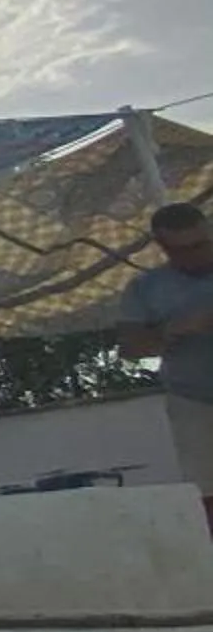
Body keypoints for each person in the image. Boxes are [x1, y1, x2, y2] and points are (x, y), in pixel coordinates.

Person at [120, 200, 213, 503]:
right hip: (193, 400)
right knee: (206, 489)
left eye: (200, 244)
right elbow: (131, 348)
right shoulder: (145, 287)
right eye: (182, 250)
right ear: (162, 247)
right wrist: (175, 329)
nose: (195, 255)